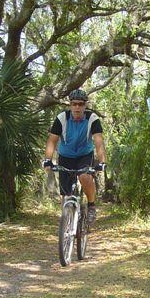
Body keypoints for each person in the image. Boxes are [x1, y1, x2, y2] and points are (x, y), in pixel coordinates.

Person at [42, 89, 106, 225]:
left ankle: (91, 206)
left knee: (84, 176)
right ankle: (67, 227)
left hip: (84, 155)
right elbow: (52, 140)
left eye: (80, 104)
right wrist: (48, 160)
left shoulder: (92, 119)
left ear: (85, 105)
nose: (77, 107)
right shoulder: (62, 118)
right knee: (66, 197)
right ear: (70, 105)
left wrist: (102, 162)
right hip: (65, 156)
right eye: (74, 104)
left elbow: (98, 141)